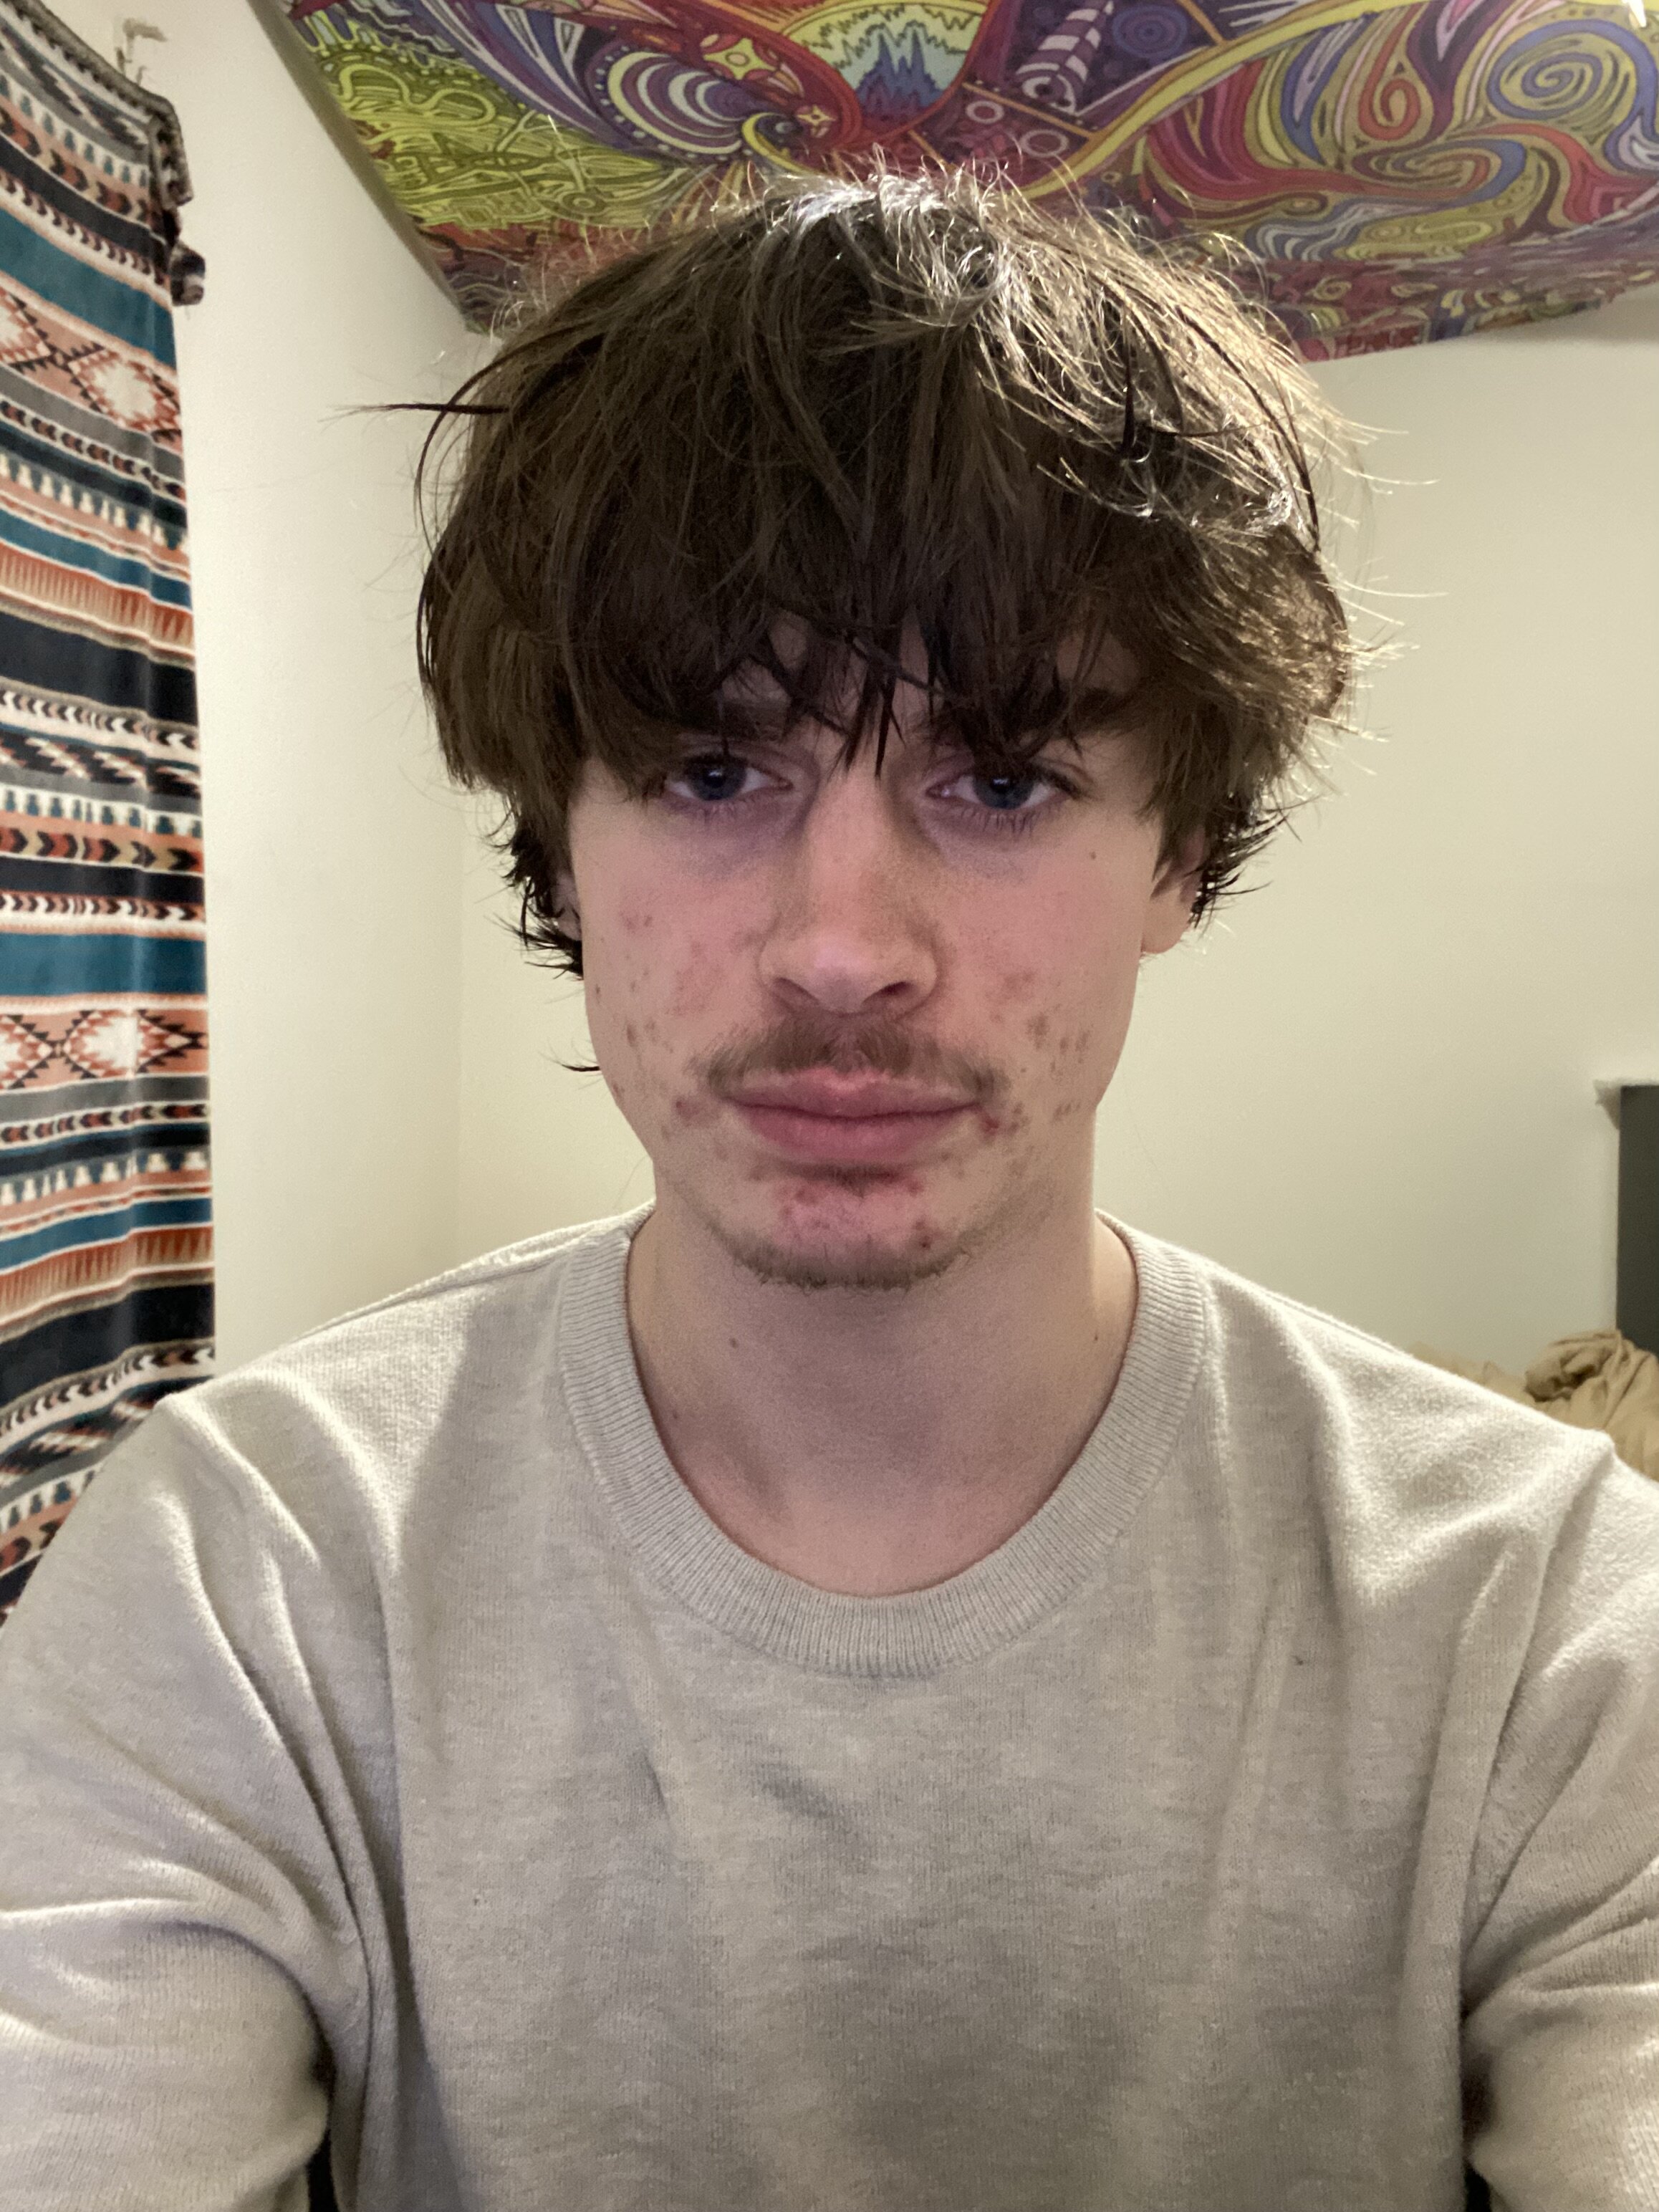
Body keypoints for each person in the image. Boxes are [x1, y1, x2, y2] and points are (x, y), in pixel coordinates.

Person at [1, 165, 1655, 2212]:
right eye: (713, 772)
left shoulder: (1545, 1617)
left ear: (1174, 854)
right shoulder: (241, 1574)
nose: (843, 947)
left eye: (1002, 778)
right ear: (561, 842)